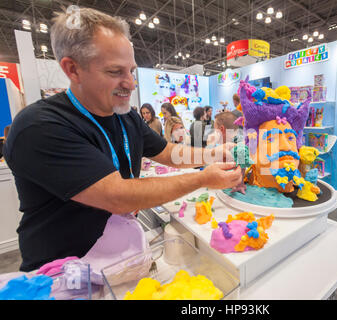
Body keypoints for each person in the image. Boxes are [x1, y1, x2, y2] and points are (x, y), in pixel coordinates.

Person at [3, 8, 242, 272]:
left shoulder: (126, 116)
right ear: (73, 69)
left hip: (121, 256)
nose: (130, 83)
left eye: (131, 70)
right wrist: (203, 177)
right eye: (115, 72)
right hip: (62, 271)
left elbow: (166, 152)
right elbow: (116, 196)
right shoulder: (39, 127)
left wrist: (212, 154)